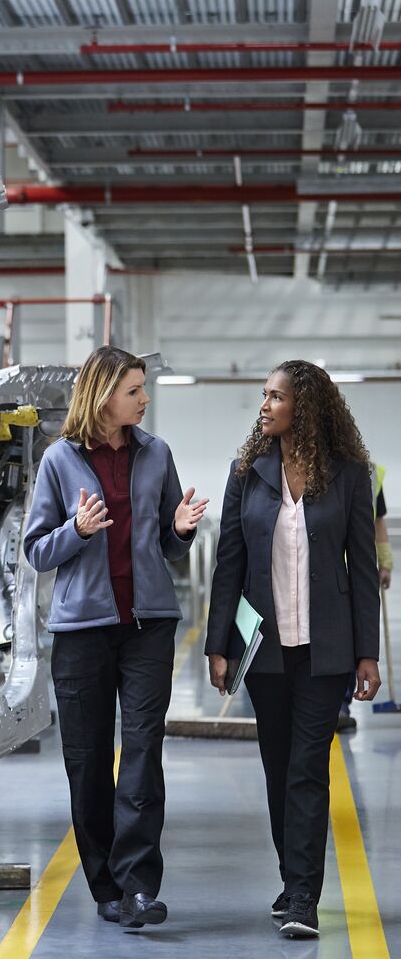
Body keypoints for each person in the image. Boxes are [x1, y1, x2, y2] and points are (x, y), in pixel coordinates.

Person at [23, 346, 207, 929]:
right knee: (88, 759)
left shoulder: (158, 455)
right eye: (135, 390)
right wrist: (75, 531)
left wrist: (179, 531)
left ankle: (139, 887)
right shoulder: (58, 461)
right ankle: (105, 885)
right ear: (104, 396)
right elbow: (35, 551)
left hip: (149, 625)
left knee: (144, 753)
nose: (145, 398)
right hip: (83, 631)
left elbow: (169, 546)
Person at [204, 360, 381, 940]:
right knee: (279, 771)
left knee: (308, 770)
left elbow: (360, 570)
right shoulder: (246, 474)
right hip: (266, 652)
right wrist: (218, 646)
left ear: (303, 406)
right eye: (264, 395)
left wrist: (367, 654)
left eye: (275, 396)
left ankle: (304, 896)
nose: (265, 404)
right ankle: (291, 880)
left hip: (326, 650)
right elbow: (229, 562)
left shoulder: (351, 476)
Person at [339, 469, 393, 729]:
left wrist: (385, 562)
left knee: (353, 637)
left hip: (358, 567)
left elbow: (378, 522)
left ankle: (342, 703)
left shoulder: (372, 473)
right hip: (332, 567)